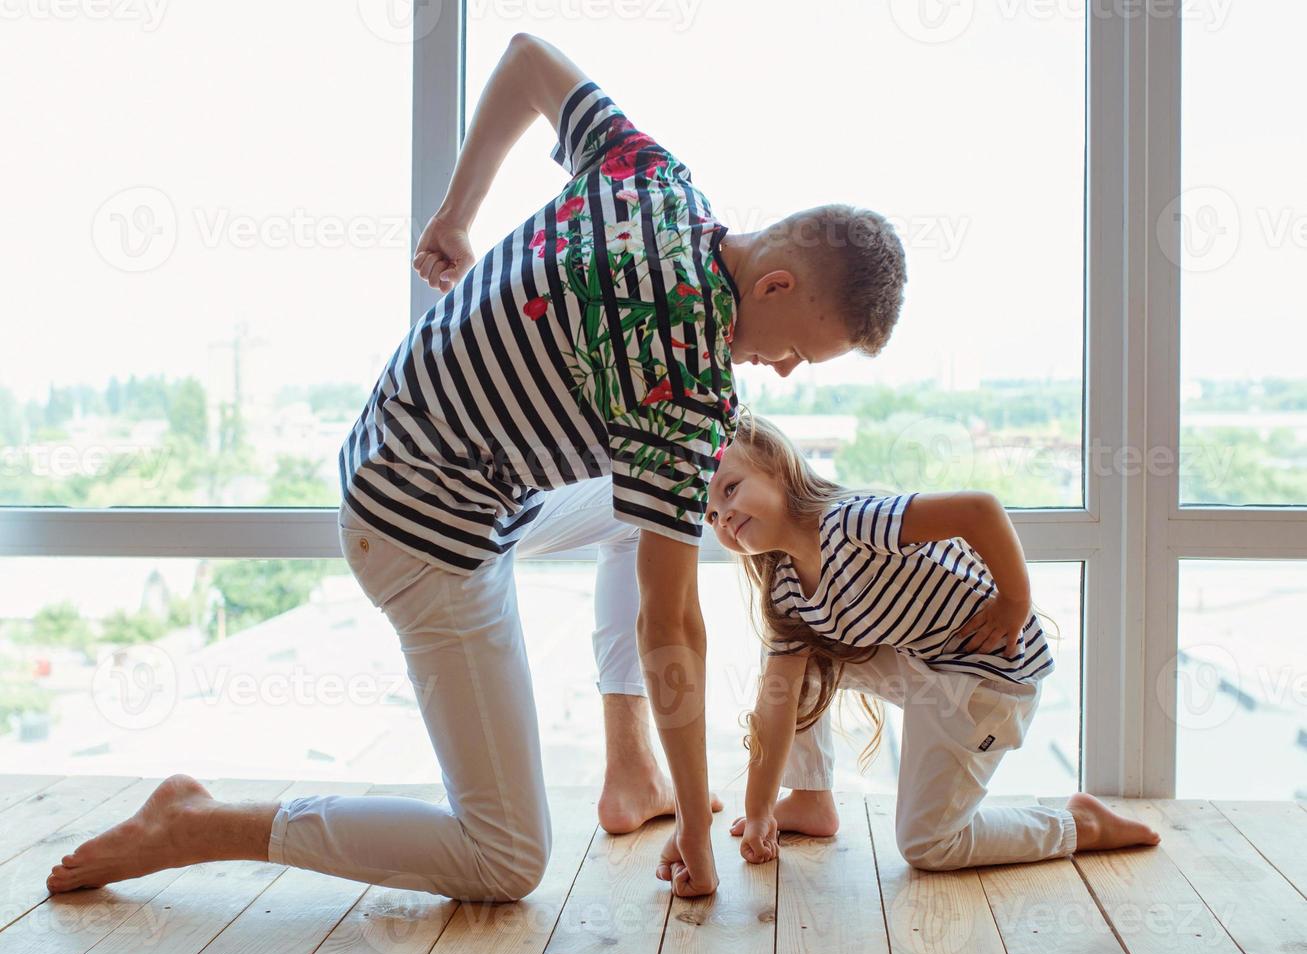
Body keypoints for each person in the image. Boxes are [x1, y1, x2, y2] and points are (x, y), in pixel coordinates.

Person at [45, 35, 907, 902]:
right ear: (775, 285)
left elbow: (529, 59)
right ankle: (199, 823)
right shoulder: (686, 383)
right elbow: (671, 627)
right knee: (504, 860)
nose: (784, 371)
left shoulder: (652, 178)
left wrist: (457, 214)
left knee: (652, 511)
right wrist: (697, 825)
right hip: (420, 533)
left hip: (393, 447)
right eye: (797, 350)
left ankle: (630, 769)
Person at [706, 411, 1161, 870]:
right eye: (711, 515)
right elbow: (774, 702)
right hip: (924, 662)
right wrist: (759, 810)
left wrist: (1013, 601)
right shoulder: (785, 587)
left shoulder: (852, 522)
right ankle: (809, 798)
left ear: (778, 468)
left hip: (988, 679)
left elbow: (978, 510)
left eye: (730, 489)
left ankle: (1080, 825)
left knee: (927, 846)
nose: (724, 515)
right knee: (790, 668)